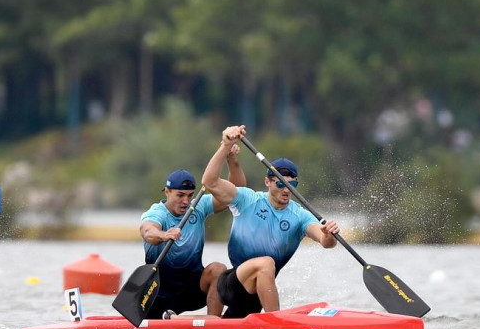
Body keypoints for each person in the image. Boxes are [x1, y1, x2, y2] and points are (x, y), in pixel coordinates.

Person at [202, 125, 340, 318]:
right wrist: (226, 145)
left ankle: (171, 320)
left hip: (258, 295)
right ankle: (276, 323)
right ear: (268, 182)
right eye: (281, 183)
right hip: (231, 285)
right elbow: (210, 182)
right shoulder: (247, 199)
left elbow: (326, 242)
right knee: (266, 262)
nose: (287, 189)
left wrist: (328, 234)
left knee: (223, 325)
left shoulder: (299, 215)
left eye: (293, 184)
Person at [140, 145, 246, 318]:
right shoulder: (156, 213)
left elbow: (238, 194)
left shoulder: (197, 206)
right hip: (158, 294)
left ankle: (213, 325)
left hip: (192, 291)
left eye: (190, 195)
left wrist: (232, 162)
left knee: (218, 269)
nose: (186, 201)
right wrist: (164, 235)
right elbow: (148, 232)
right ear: (167, 191)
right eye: (180, 195)